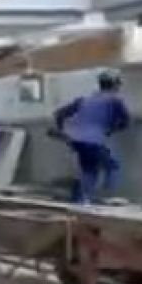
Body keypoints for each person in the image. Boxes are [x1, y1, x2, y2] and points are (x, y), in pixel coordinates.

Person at [54, 69, 131, 206]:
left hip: (75, 140)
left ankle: (81, 199)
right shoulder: (115, 100)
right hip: (92, 140)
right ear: (115, 84)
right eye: (118, 84)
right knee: (111, 167)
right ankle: (104, 196)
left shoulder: (85, 99)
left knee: (89, 168)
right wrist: (110, 129)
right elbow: (125, 122)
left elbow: (58, 114)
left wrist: (62, 131)